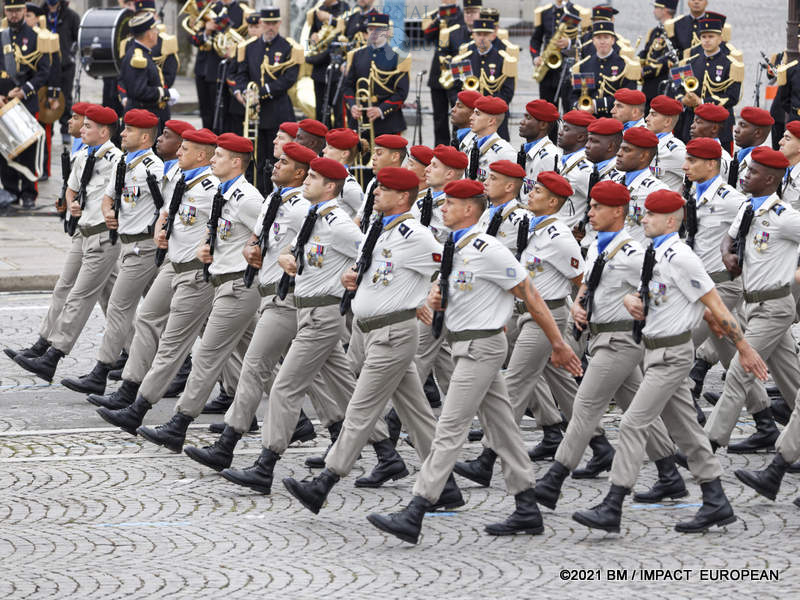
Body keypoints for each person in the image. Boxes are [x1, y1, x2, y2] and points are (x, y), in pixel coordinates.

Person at [366, 178, 582, 545]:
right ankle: (527, 507)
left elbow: (529, 293)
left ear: (469, 209)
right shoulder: (457, 246)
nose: (443, 208)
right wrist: (437, 301)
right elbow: (466, 294)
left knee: (449, 428)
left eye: (449, 203)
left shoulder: (488, 248)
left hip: (481, 347)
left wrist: (558, 342)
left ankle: (417, 508)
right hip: (468, 345)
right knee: (504, 431)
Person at [571, 188, 767, 534]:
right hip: (652, 351)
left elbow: (717, 307)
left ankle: (612, 505)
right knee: (687, 432)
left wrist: (745, 349)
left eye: (650, 215)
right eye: (643, 213)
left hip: (672, 356)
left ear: (671, 220)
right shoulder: (654, 254)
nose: (642, 219)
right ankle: (716, 501)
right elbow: (660, 299)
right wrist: (637, 304)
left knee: (632, 424)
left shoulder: (681, 257)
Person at [282, 166, 465, 513]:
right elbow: (375, 273)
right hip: (374, 332)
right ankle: (447, 486)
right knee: (418, 415)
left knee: (360, 410)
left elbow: (451, 269)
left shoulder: (416, 235)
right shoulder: (378, 230)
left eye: (383, 189)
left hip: (393, 334)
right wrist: (353, 278)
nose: (376, 192)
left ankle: (326, 481)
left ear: (402, 197)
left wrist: (430, 298)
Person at [219, 157, 393, 495]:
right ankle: (386, 453)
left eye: (312, 177)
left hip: (323, 314)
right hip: (305, 310)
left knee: (284, 386)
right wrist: (286, 255)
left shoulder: (339, 223)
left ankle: (265, 464)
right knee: (346, 389)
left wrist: (357, 283)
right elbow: (296, 248)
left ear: (330, 186)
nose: (306, 182)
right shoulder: (312, 217)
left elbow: (370, 255)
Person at [182, 143, 345, 470]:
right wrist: (252, 249)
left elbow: (339, 252)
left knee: (256, 367)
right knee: (336, 378)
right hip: (272, 294)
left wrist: (299, 263)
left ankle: (229, 444)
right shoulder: (274, 199)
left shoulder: (304, 208)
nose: (274, 165)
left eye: (283, 163)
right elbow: (257, 238)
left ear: (300, 174)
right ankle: (377, 446)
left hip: (290, 299)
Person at [534, 180, 686, 509]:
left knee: (585, 407)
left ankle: (553, 480)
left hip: (620, 340)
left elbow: (667, 287)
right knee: (634, 407)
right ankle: (669, 472)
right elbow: (590, 283)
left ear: (618, 212)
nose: (590, 212)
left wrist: (642, 304)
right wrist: (579, 302)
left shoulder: (633, 254)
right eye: (590, 206)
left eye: (597, 207)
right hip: (602, 337)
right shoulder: (599, 247)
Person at [455, 170, 591, 486]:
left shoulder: (559, 237)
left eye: (539, 192)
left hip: (548, 316)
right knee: (562, 384)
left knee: (513, 384)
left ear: (554, 201)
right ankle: (598, 444)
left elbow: (580, 279)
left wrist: (581, 311)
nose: (531, 195)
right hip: (523, 314)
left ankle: (488, 459)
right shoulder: (533, 228)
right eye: (533, 190)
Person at [127, 133, 262, 451]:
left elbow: (272, 236)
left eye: (219, 155)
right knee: (258, 359)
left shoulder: (247, 198)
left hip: (238, 285)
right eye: (212, 154)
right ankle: (298, 421)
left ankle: (177, 423)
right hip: (220, 282)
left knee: (207, 357)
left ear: (236, 162)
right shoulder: (224, 194)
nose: (214, 159)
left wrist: (260, 261)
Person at [89, 128, 222, 421]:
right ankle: (129, 388)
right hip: (172, 265)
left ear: (201, 156)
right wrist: (162, 228)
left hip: (198, 274)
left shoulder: (214, 189)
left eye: (185, 149)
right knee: (148, 317)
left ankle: (141, 407)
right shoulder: (176, 175)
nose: (178, 152)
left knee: (203, 343)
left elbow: (233, 229)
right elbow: (165, 209)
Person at [678, 138, 777, 453]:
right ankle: (765, 425)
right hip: (699, 287)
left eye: (692, 161)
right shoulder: (693, 194)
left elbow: (759, 233)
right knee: (733, 356)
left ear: (711, 165)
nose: (685, 166)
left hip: (722, 285)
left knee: (676, 348)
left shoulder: (732, 199)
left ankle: (689, 419)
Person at [700, 148, 800, 456]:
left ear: (770, 179)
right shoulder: (748, 209)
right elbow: (728, 238)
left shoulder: (785, 218)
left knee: (740, 371)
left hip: (774, 306)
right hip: (752, 305)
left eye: (753, 172)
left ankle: (706, 446)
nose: (745, 175)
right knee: (791, 381)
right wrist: (727, 253)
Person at [58, 109, 164, 396]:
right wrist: (108, 211)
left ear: (144, 137)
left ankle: (103, 372)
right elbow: (109, 196)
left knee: (119, 306)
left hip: (144, 245)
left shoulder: (153, 168)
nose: (123, 134)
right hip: (127, 244)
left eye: (129, 131)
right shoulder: (125, 165)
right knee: (160, 313)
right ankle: (165, 369)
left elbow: (166, 207)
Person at [13, 106, 123, 380]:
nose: (81, 130)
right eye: (82, 125)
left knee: (80, 296)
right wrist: (72, 202)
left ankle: (53, 354)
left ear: (104, 131)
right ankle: (43, 343)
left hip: (102, 235)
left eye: (88, 126)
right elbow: (73, 187)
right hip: (83, 232)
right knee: (92, 294)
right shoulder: (83, 154)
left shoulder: (116, 160)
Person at [233, 7, 300, 177]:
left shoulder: (288, 47)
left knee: (277, 158)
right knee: (256, 158)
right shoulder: (250, 47)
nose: (270, 27)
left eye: (274, 23)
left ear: (279, 23)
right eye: (267, 23)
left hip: (278, 110)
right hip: (255, 112)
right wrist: (243, 91)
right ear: (261, 23)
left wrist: (261, 92)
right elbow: (241, 74)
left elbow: (289, 78)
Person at [0, 0, 52, 209]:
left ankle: (29, 193)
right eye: (10, 11)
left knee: (28, 149)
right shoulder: (1, 36)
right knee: (5, 148)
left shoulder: (36, 37)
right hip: (4, 103)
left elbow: (44, 71)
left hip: (26, 103)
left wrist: (24, 91)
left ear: (24, 11)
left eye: (17, 10)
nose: (14, 15)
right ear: (5, 11)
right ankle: (10, 190)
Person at [671, 12, 742, 147]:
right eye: (703, 37)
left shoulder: (731, 64)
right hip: (692, 123)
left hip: (719, 126)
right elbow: (677, 88)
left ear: (720, 38)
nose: (707, 40)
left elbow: (733, 96)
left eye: (711, 36)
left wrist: (702, 102)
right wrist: (683, 100)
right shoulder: (688, 62)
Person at [342, 12, 410, 138]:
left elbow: (402, 92)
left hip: (388, 122)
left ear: (387, 32)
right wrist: (352, 105)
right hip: (360, 120)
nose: (374, 33)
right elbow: (347, 86)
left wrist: (381, 110)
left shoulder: (398, 57)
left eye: (378, 29)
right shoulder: (357, 55)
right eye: (371, 29)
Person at [450, 17, 516, 140]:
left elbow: (507, 92)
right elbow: (454, 90)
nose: (482, 38)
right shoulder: (463, 59)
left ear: (493, 35)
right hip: (467, 119)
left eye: (486, 34)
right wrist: (465, 107)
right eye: (478, 34)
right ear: (473, 35)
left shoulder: (503, 59)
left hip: (493, 119)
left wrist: (486, 108)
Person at [189, 0, 244, 130]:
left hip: (224, 69)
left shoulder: (242, 12)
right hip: (203, 69)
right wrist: (207, 31)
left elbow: (244, 40)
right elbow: (194, 39)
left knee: (221, 114)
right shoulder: (211, 8)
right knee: (205, 111)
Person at [422, 1, 470, 146]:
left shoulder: (463, 15)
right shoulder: (432, 16)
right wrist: (439, 18)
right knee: (439, 117)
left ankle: (457, 147)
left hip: (458, 72)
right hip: (438, 71)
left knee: (459, 116)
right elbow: (427, 37)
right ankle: (440, 149)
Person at [615, 126, 670, 245]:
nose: (619, 154)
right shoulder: (614, 182)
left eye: (626, 150)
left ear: (643, 156)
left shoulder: (657, 190)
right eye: (620, 148)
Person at [117, 12, 177, 123]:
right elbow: (140, 91)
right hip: (144, 119)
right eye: (155, 30)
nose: (157, 34)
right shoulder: (138, 57)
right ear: (149, 34)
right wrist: (166, 94)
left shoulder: (141, 53)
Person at [571, 20, 638, 118]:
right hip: (589, 119)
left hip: (614, 118)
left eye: (606, 37)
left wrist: (597, 105)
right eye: (598, 38)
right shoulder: (583, 65)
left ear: (613, 40)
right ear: (593, 41)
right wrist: (578, 105)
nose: (602, 41)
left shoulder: (624, 65)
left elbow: (628, 96)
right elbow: (574, 95)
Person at [530, 0, 586, 113]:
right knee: (547, 112)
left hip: (568, 69)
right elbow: (535, 39)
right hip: (548, 70)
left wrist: (570, 42)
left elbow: (586, 38)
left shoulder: (578, 12)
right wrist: (536, 57)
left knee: (569, 110)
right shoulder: (545, 12)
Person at [305, 0, 350, 127]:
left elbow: (345, 30)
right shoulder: (317, 10)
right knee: (320, 112)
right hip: (319, 69)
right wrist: (313, 39)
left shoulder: (344, 7)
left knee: (338, 113)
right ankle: (322, 143)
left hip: (336, 68)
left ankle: (338, 144)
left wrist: (330, 19)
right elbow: (311, 34)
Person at [42, 0, 80, 144]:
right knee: (46, 97)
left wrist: (70, 54)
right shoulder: (41, 14)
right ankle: (48, 129)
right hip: (47, 65)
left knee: (65, 97)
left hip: (66, 65)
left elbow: (78, 39)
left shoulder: (71, 16)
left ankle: (65, 129)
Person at [518, 99, 562, 200]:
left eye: (528, 118)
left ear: (543, 125)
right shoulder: (526, 150)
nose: (521, 122)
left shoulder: (550, 156)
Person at [466, 96, 516, 182]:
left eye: (477, 114)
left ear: (491, 121)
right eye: (473, 113)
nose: (471, 117)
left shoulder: (504, 152)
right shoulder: (468, 142)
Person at [639, 0, 679, 106]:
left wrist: (645, 71)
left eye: (656, 7)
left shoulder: (676, 31)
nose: (653, 11)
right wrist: (635, 64)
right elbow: (646, 52)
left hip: (664, 84)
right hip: (648, 85)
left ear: (665, 10)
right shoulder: (654, 31)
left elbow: (672, 58)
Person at [645, 94, 686, 192]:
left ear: (667, 122)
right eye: (649, 113)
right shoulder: (646, 142)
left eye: (653, 115)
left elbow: (700, 177)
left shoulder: (675, 150)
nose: (647, 118)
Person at [322, 127, 365, 218]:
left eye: (330, 147)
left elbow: (364, 216)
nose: (324, 150)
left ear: (344, 154)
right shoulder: (325, 177)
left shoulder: (349, 186)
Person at [730, 107, 774, 192]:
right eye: (738, 124)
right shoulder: (741, 154)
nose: (736, 130)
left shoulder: (762, 164)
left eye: (743, 126)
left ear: (757, 133)